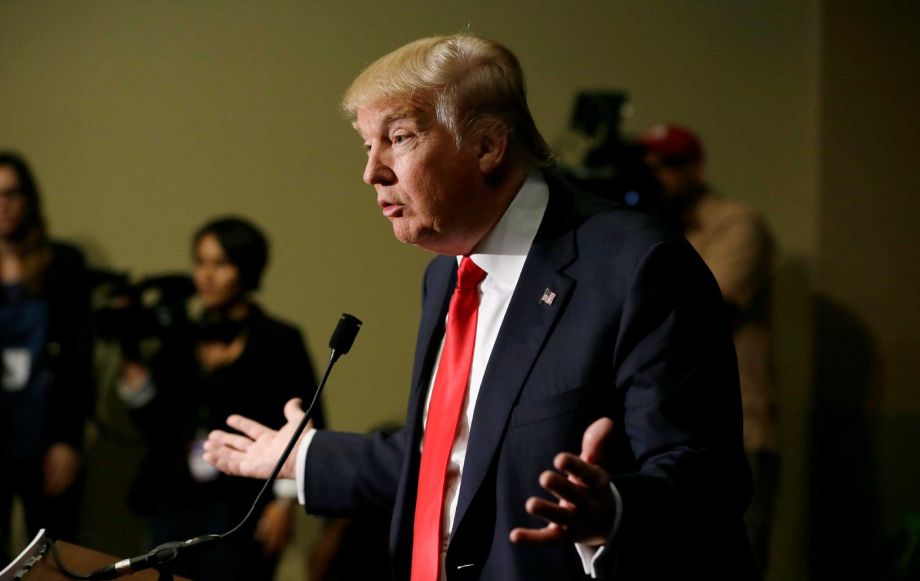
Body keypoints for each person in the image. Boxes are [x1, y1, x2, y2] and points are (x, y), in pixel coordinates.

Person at [204, 34, 754, 580]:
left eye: (398, 137)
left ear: (488, 146)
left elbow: (706, 480)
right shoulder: (446, 272)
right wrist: (307, 457)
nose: (372, 172)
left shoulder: (637, 266)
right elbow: (455, 457)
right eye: (366, 145)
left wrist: (611, 512)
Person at [117, 216, 322, 580]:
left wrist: (284, 502)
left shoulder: (279, 340)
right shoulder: (179, 337)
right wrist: (136, 384)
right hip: (173, 498)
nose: (206, 276)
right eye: (200, 262)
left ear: (246, 269)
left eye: (221, 263)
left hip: (241, 505)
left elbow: (303, 420)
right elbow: (159, 424)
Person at [639, 123, 779, 577]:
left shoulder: (736, 223)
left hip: (738, 434)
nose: (659, 176)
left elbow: (700, 309)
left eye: (670, 165)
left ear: (695, 168)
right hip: (666, 438)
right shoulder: (646, 228)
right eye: (650, 166)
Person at [0, 152, 93, 561]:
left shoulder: (63, 264)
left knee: (51, 556)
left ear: (29, 199)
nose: (3, 204)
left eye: (12, 194)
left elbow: (79, 357)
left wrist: (68, 440)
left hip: (44, 432)